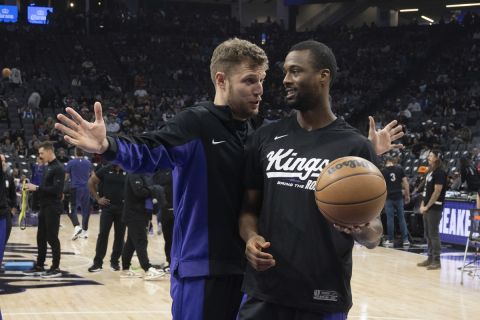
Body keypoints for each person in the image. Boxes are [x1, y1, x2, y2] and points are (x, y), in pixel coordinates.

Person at [55, 38, 403, 320]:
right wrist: (109, 145)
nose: (261, 89)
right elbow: (150, 150)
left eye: (262, 81)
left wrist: (361, 163)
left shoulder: (260, 131)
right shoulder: (196, 122)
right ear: (221, 80)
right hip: (203, 269)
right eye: (250, 80)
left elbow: (315, 152)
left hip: (254, 274)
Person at [237, 40, 390, 319]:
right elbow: (248, 209)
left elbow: (374, 233)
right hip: (265, 291)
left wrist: (362, 229)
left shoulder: (356, 146)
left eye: (295, 71)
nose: (285, 79)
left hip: (324, 295)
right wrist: (250, 238)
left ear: (323, 76)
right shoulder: (265, 137)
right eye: (285, 72)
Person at [23, 141, 65, 278]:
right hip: (44, 206)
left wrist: (37, 188)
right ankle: (40, 265)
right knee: (40, 237)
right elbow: (45, 188)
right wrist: (33, 189)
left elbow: (57, 190)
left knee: (52, 238)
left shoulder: (58, 168)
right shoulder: (47, 167)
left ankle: (56, 267)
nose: (40, 156)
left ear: (49, 152)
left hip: (53, 207)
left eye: (41, 153)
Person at [120, 173, 165, 280]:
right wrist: (153, 190)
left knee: (131, 243)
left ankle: (125, 269)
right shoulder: (134, 174)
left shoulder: (143, 175)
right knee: (141, 240)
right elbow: (139, 192)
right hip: (134, 215)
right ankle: (147, 269)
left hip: (141, 214)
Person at [87, 164, 127, 272]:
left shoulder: (127, 169)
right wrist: (98, 198)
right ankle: (97, 263)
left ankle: (115, 262)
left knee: (120, 236)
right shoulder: (105, 169)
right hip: (107, 208)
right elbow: (91, 182)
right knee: (103, 235)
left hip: (122, 208)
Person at [417, 149, 447, 270]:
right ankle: (429, 258)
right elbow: (426, 191)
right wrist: (422, 205)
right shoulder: (429, 172)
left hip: (435, 207)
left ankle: (436, 260)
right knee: (427, 233)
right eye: (428, 155)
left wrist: (427, 206)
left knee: (433, 234)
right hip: (427, 207)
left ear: (437, 158)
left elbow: (437, 191)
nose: (428, 157)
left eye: (431, 156)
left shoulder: (440, 172)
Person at [381, 156, 411, 248]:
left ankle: (390, 240)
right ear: (393, 161)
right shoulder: (399, 169)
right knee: (401, 218)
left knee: (390, 219)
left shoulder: (383, 171)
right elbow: (405, 182)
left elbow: (381, 185)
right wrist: (407, 194)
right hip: (398, 196)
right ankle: (405, 240)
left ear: (386, 162)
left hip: (388, 197)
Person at [65, 148, 92, 240]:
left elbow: (66, 177)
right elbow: (90, 175)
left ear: (75, 153)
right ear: (83, 153)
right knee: (86, 210)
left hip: (75, 188)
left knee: (71, 209)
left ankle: (77, 227)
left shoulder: (71, 162)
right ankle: (85, 231)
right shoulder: (88, 163)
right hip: (86, 188)